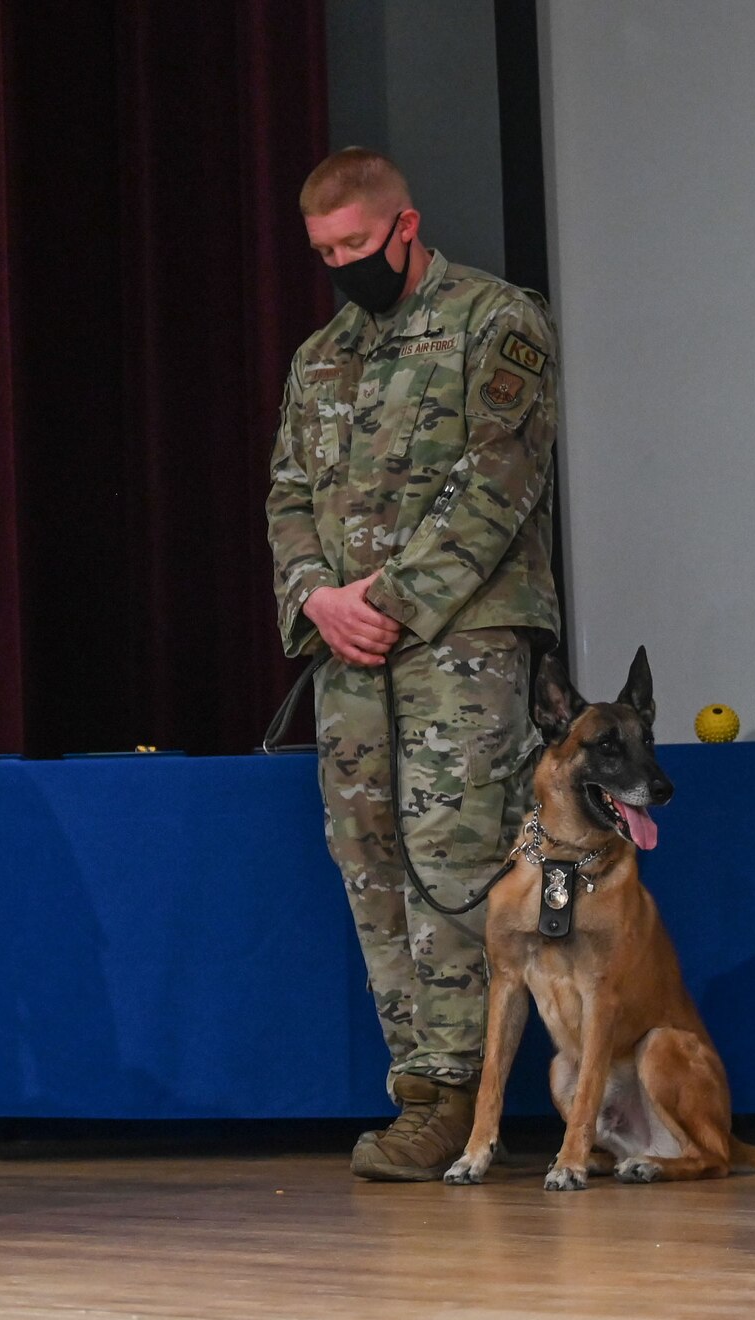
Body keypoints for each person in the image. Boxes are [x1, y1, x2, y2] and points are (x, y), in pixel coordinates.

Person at [265, 148, 560, 1181]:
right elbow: (286, 494)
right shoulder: (318, 357)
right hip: (347, 653)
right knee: (368, 857)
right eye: (322, 252)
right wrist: (316, 597)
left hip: (460, 645)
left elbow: (498, 480)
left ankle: (460, 1096)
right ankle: (415, 1085)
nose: (340, 263)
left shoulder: (495, 320)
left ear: (403, 225)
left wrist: (383, 603)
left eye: (354, 243)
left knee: (451, 860)